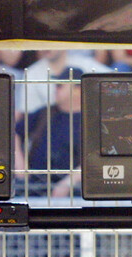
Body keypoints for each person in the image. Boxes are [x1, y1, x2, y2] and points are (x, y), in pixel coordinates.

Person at [14, 68, 83, 198]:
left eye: (60, 86)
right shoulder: (44, 114)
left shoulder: (91, 119)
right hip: (35, 185)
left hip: (72, 190)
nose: (55, 89)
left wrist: (70, 182)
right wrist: (20, 168)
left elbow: (97, 158)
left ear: (78, 89)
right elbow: (14, 133)